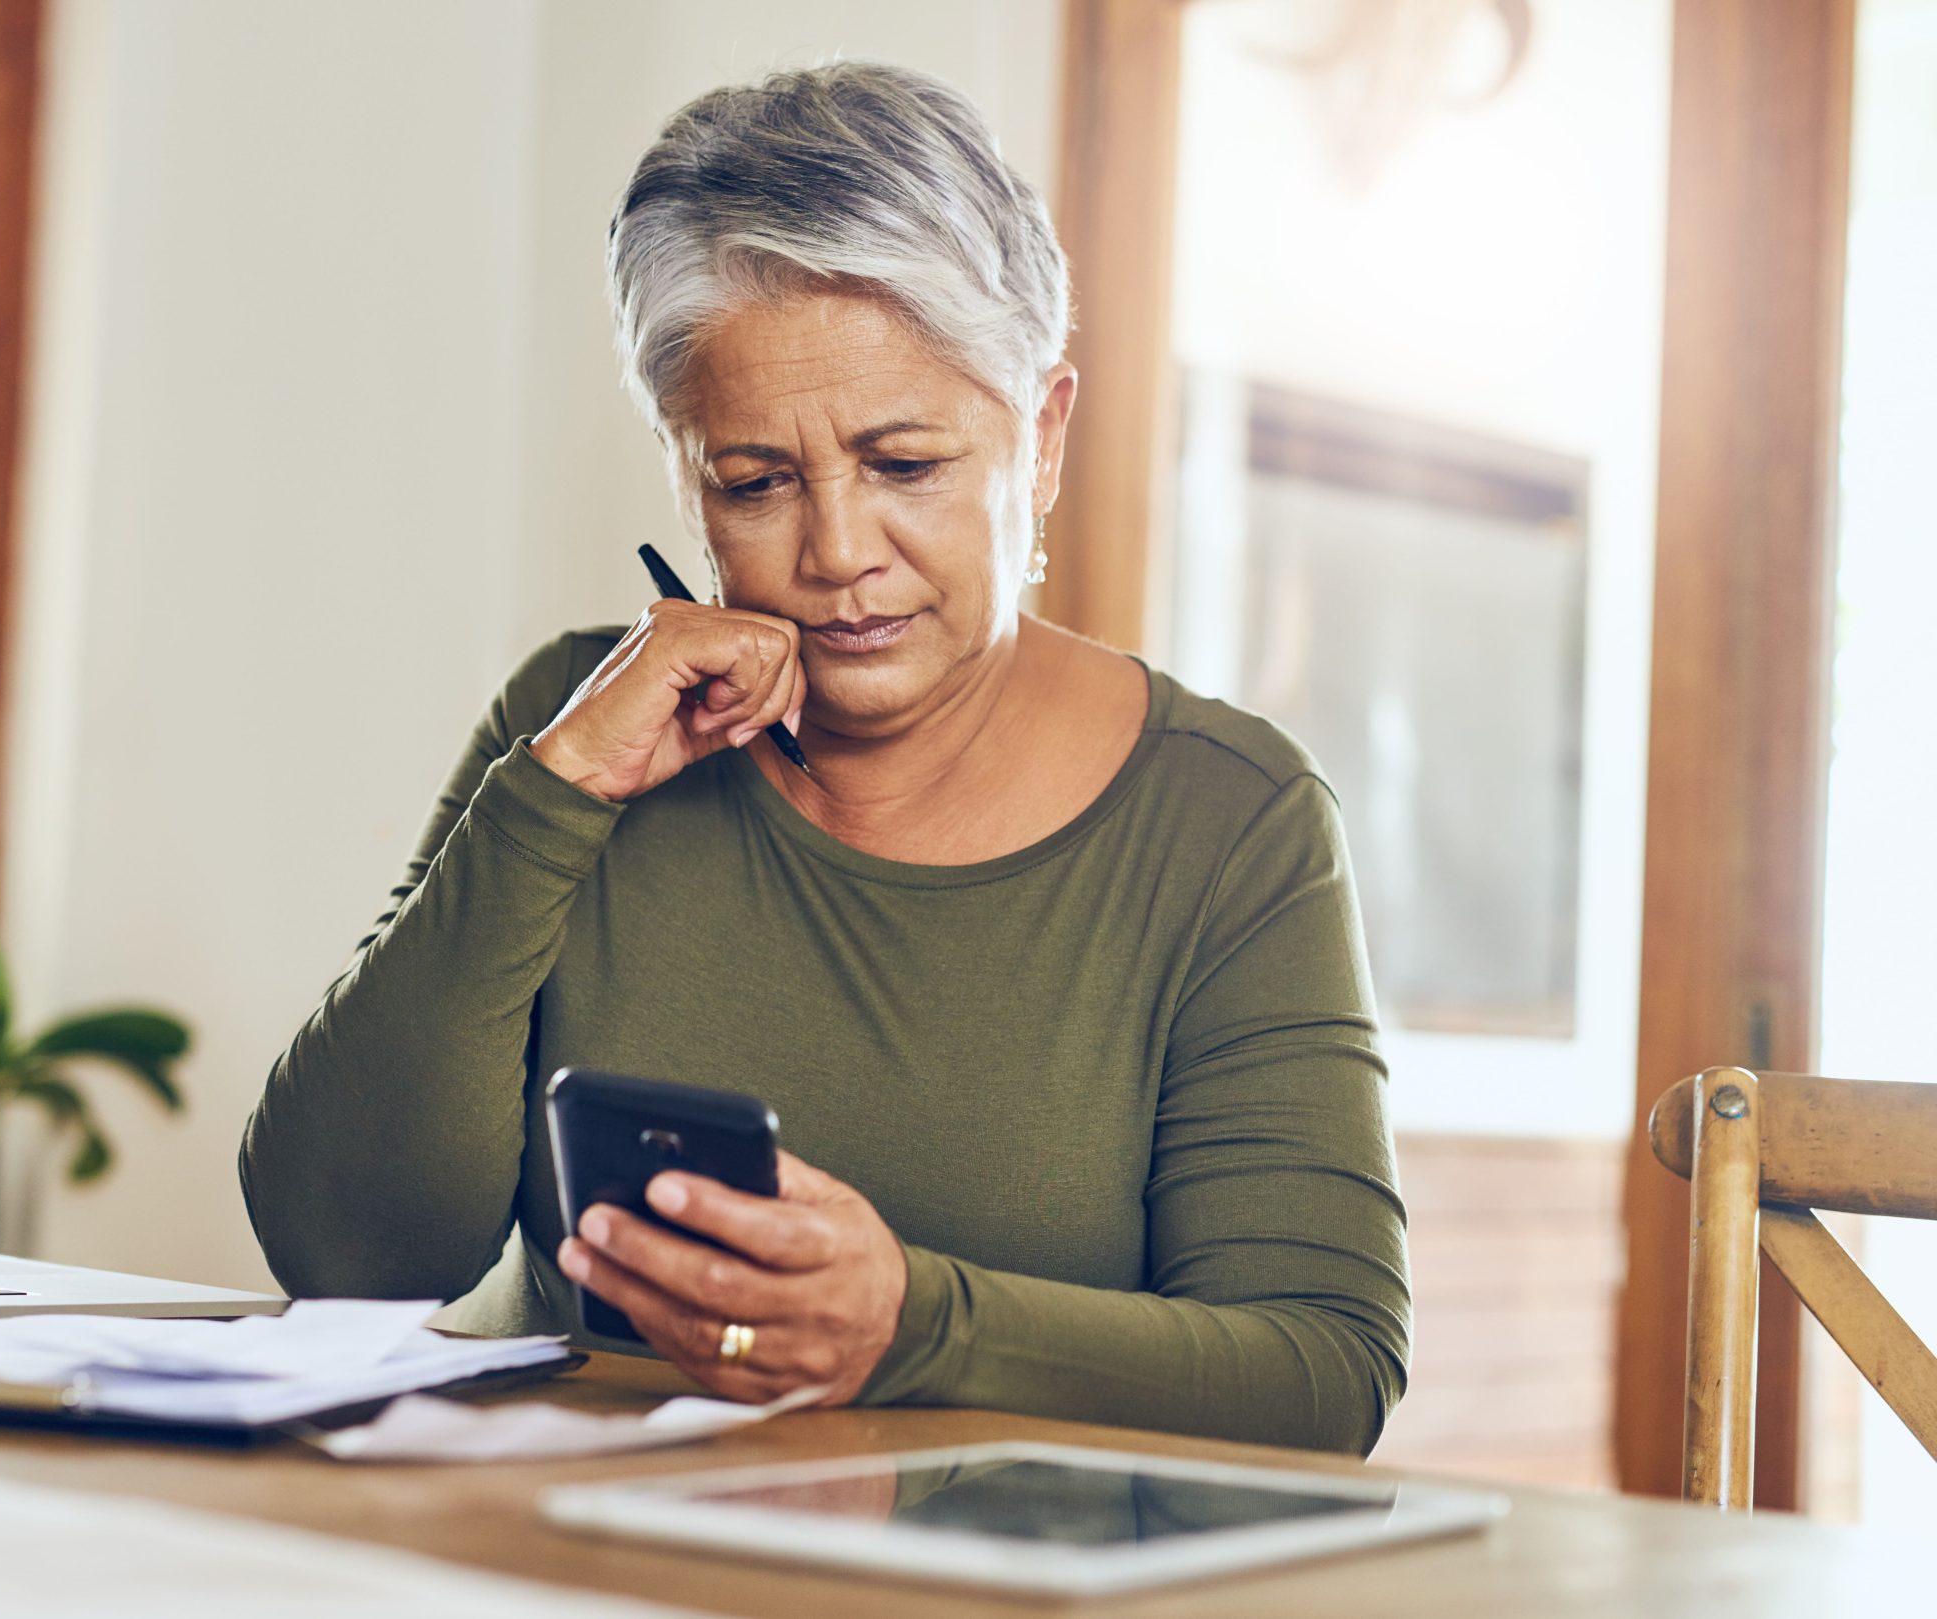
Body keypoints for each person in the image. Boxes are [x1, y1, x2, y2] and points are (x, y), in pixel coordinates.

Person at [240, 61, 1408, 1454]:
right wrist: (552, 801)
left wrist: (914, 1325)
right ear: (685, 474)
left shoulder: (1230, 819)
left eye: (903, 464)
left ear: (1038, 441)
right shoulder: (574, 720)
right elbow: (342, 1253)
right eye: (755, 481)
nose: (837, 553)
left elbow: (1322, 1374)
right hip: (558, 1555)